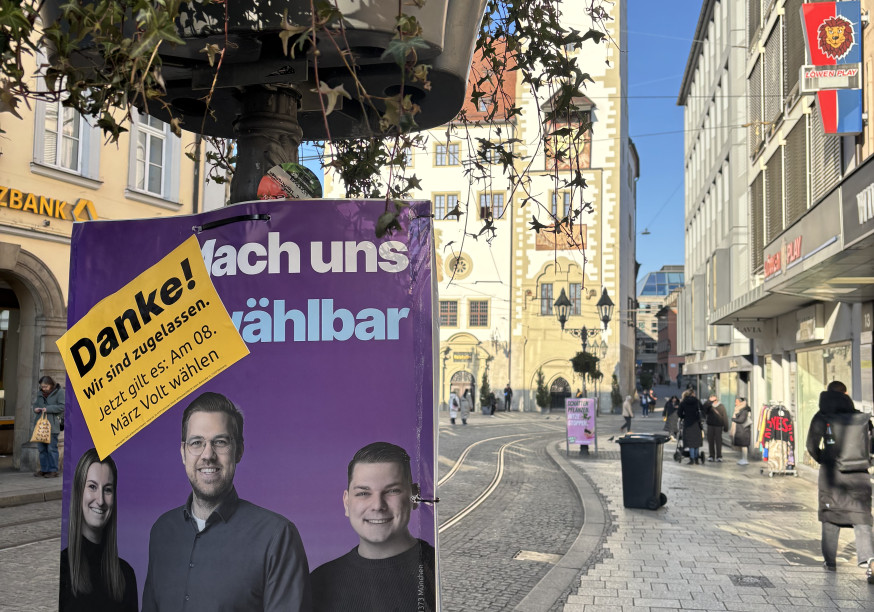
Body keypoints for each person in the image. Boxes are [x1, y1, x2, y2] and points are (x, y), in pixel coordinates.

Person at [142, 392, 311, 611]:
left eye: (220, 442)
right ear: (183, 452)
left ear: (238, 451)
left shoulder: (276, 536)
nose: (208, 455)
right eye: (196, 443)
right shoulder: (162, 531)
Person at [310, 442, 436, 611]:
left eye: (392, 491)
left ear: (414, 496)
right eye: (363, 493)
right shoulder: (319, 582)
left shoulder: (441, 571)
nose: (377, 505)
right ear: (347, 502)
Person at [806, 381, 874, 581]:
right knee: (862, 519)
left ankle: (830, 562)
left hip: (831, 476)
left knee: (830, 516)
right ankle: (870, 562)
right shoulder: (860, 418)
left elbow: (811, 445)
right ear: (845, 394)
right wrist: (865, 462)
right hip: (859, 475)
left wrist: (825, 460)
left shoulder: (822, 416)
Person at [60, 449, 137, 611]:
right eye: (92, 487)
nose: (100, 500)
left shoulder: (126, 575)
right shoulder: (61, 570)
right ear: (79, 492)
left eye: (107, 489)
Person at [33, 375, 64, 478]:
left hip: (52, 425)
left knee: (51, 448)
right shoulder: (40, 393)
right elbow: (35, 404)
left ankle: (53, 470)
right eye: (42, 386)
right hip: (40, 426)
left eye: (46, 386)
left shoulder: (59, 392)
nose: (44, 388)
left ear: (51, 385)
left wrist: (48, 409)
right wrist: (36, 409)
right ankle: (44, 469)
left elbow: (62, 407)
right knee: (42, 449)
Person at [678, 389, 704, 464]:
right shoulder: (697, 402)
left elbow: (679, 413)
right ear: (692, 394)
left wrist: (684, 416)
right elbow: (702, 410)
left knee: (690, 442)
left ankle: (692, 458)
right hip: (696, 423)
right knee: (696, 441)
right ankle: (696, 458)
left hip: (688, 424)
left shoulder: (683, 402)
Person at [703, 394, 728, 462]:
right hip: (710, 425)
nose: (713, 401)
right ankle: (711, 455)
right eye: (712, 399)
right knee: (710, 441)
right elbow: (704, 409)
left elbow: (724, 416)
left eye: (714, 399)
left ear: (717, 399)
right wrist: (709, 401)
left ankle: (719, 456)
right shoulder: (709, 406)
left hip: (718, 426)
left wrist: (726, 427)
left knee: (718, 441)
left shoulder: (721, 406)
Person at [731, 397, 752, 465]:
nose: (735, 403)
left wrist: (734, 419)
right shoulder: (740, 409)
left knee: (744, 445)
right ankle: (743, 458)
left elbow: (741, 420)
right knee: (743, 446)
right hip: (741, 430)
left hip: (744, 430)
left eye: (736, 402)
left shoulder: (744, 410)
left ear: (741, 403)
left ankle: (745, 459)